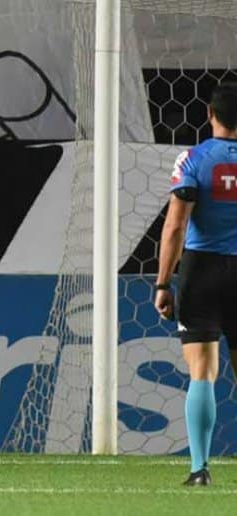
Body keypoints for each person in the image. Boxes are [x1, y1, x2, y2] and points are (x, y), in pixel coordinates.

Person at [155, 82, 237, 486]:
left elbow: (175, 226)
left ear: (210, 113)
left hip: (201, 271)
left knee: (202, 372)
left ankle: (199, 469)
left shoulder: (193, 159)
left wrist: (162, 283)